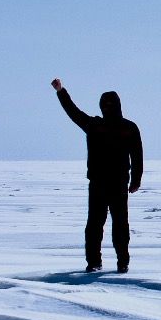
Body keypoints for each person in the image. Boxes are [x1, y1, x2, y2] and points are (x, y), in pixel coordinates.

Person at [51, 78, 142, 273]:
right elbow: (73, 112)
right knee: (94, 226)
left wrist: (136, 179)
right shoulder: (94, 125)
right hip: (98, 183)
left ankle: (123, 262)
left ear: (117, 105)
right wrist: (61, 91)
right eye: (104, 105)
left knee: (120, 225)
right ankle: (94, 262)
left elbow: (137, 155)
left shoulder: (128, 128)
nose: (108, 108)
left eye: (111, 104)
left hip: (119, 183)